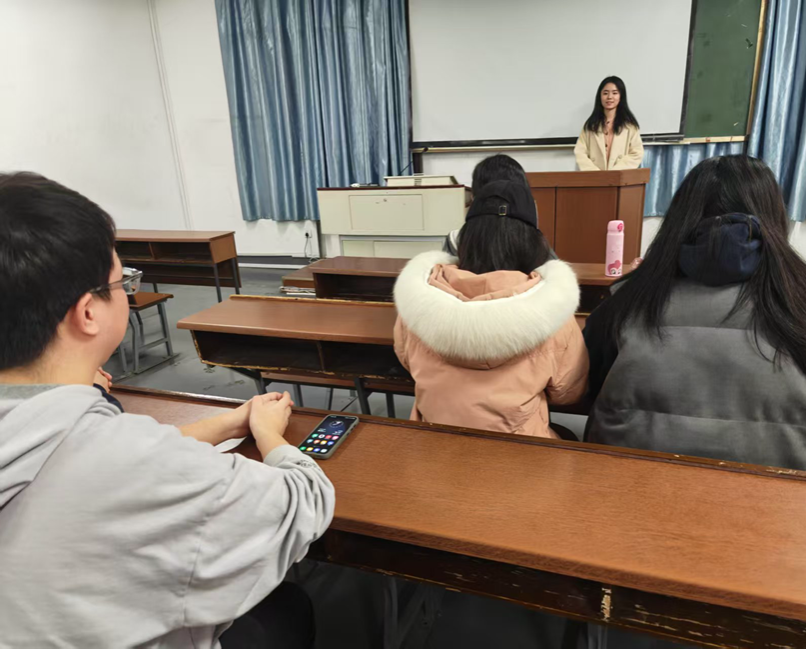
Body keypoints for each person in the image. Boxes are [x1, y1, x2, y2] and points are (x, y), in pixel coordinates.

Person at [0, 173, 335, 648]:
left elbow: (89, 450)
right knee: (286, 608)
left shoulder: (59, 431)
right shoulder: (130, 461)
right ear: (88, 313)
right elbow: (303, 503)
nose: (127, 292)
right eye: (122, 282)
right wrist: (269, 435)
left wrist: (227, 423)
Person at [582, 155, 806, 471]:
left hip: (628, 485)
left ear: (679, 218)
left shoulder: (629, 299)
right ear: (773, 216)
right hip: (771, 492)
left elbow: (590, 375)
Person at [394, 178, 589, 438]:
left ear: (466, 238)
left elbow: (408, 362)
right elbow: (568, 393)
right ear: (532, 242)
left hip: (433, 440)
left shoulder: (419, 300)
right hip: (520, 450)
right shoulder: (553, 311)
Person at [574, 76, 643, 171]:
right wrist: (596, 174)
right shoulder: (590, 125)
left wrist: (614, 173)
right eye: (605, 93)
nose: (610, 97)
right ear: (600, 96)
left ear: (621, 96)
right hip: (594, 177)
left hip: (620, 177)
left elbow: (636, 153)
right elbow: (580, 152)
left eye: (615, 93)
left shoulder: (630, 126)